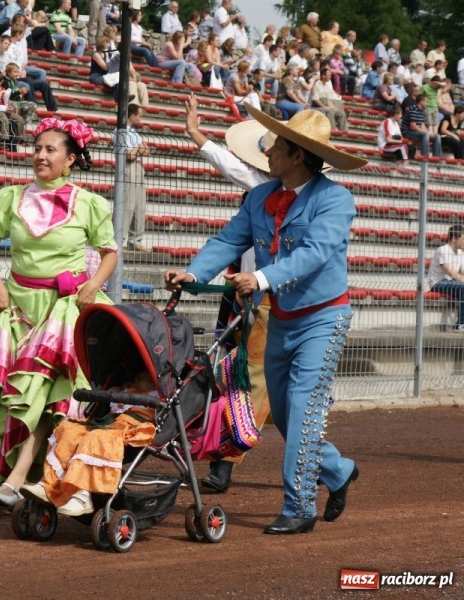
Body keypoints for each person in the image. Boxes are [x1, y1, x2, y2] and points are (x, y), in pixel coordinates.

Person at [166, 106, 367, 534]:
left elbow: (314, 255)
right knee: (290, 415)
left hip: (323, 319)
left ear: (297, 155)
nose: (268, 150)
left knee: (301, 409)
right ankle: (338, 470)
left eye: (276, 145)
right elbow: (229, 239)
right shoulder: (260, 196)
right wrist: (195, 272)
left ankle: (299, 507)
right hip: (280, 316)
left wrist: (259, 277)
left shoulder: (335, 199)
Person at [0, 117, 117, 509]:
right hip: (21, 309)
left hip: (67, 310)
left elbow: (110, 253)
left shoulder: (89, 203)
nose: (40, 155)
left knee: (51, 395)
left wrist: (91, 286)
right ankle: (33, 478)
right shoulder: (8, 198)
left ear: (70, 159)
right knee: (25, 396)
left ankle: (21, 479)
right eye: (37, 148)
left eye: (51, 149)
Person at [183, 93, 272, 492]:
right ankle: (328, 465)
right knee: (246, 379)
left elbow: (233, 166)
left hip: (269, 300)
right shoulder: (263, 190)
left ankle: (225, 460)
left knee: (250, 380)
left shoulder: (266, 187)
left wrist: (198, 137)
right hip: (244, 294)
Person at [20, 370, 158, 516]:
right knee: (69, 430)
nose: (140, 375)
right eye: (139, 374)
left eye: (146, 374)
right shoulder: (122, 391)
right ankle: (49, 486)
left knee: (96, 437)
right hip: (108, 424)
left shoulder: (156, 396)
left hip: (133, 428)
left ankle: (83, 495)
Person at [120, 104, 150, 252]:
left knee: (139, 205)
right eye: (140, 115)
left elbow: (146, 151)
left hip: (138, 167)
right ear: (133, 116)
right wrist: (139, 149)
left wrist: (137, 149)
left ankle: (135, 240)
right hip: (129, 167)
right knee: (128, 205)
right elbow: (130, 155)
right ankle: (119, 239)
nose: (140, 118)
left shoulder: (133, 133)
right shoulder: (121, 132)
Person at [429, 225, 464, 331]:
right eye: (463, 238)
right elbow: (452, 274)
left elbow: (462, 271)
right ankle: (461, 324)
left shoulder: (460, 252)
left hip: (452, 282)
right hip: (438, 283)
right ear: (454, 238)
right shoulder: (442, 250)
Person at [402, 93, 442, 158]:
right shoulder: (413, 109)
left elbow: (422, 124)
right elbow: (413, 126)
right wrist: (426, 133)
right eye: (426, 101)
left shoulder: (421, 110)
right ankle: (425, 156)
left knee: (437, 136)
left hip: (415, 131)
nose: (427, 103)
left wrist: (428, 132)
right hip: (407, 132)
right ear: (421, 101)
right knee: (425, 135)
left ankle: (437, 158)